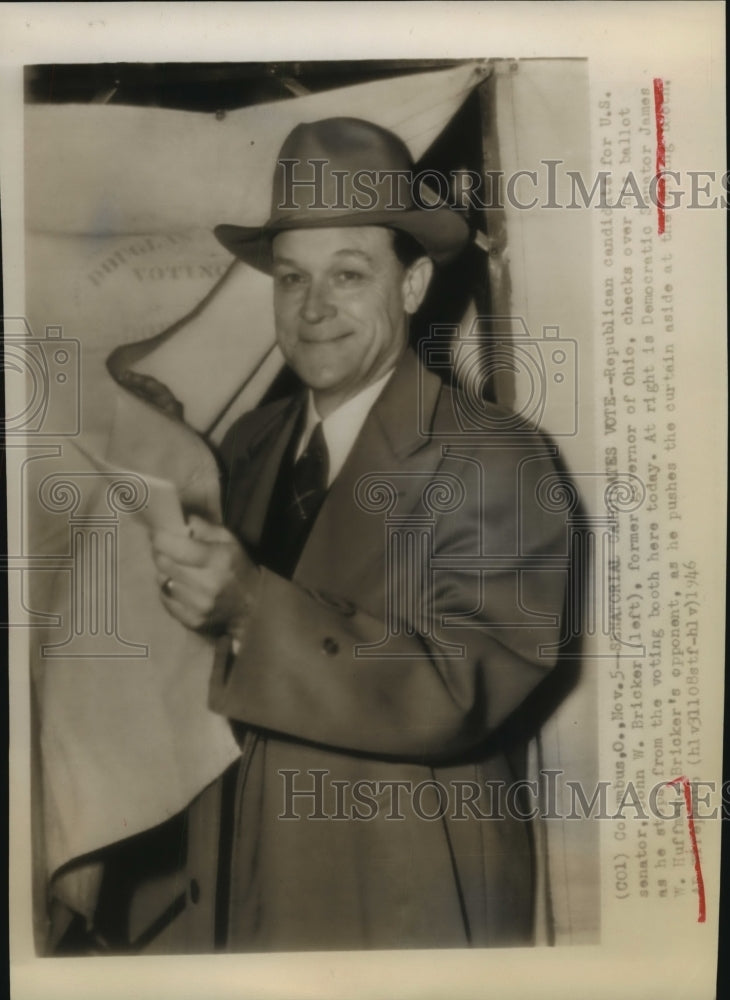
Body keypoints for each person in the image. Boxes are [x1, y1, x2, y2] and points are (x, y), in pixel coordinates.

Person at [107, 117, 572, 953]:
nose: (314, 309)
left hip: (404, 897)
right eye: (292, 279)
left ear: (414, 284)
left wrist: (252, 607)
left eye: (348, 275)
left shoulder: (498, 456)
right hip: (236, 893)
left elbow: (458, 694)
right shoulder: (249, 445)